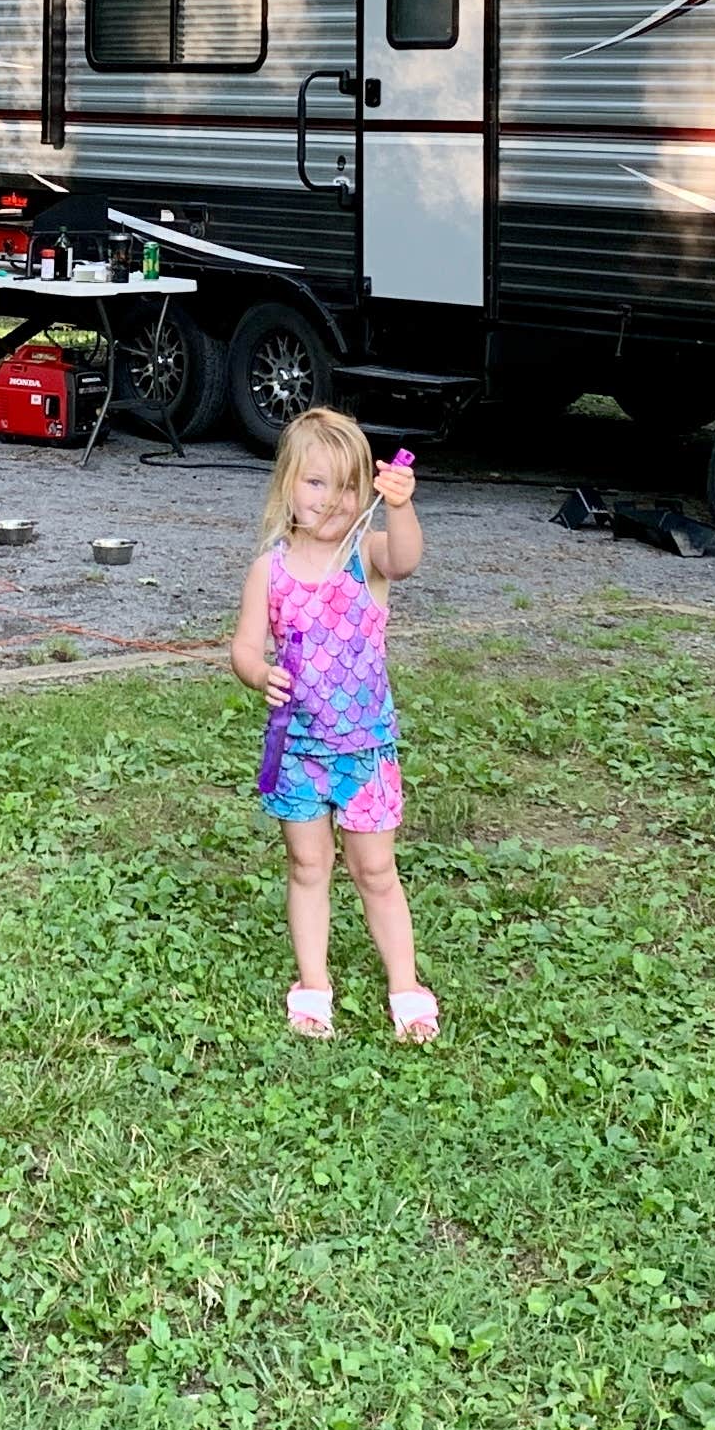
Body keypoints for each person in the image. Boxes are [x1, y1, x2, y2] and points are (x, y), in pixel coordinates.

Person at [225, 408, 434, 1041]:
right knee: (307, 866)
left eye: (348, 486)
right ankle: (312, 985)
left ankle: (405, 984)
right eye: (317, 483)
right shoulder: (271, 570)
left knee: (376, 871)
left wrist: (399, 507)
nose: (333, 500)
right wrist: (261, 675)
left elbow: (407, 558)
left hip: (366, 751)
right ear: (288, 482)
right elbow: (242, 649)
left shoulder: (366, 556)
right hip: (299, 754)